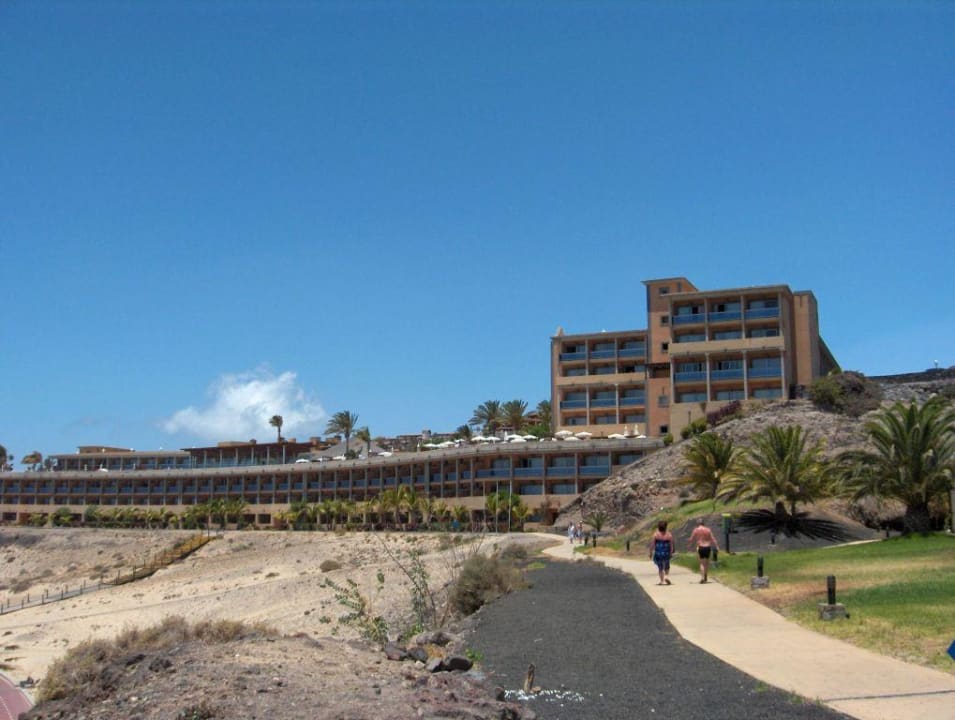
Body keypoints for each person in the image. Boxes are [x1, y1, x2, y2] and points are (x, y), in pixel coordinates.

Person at [688, 518, 719, 583]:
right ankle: (705, 576)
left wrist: (689, 545)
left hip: (700, 547)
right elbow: (713, 538)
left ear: (698, 524)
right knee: (707, 563)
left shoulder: (696, 530)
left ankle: (702, 577)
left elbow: (691, 538)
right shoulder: (708, 530)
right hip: (707, 547)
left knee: (701, 563)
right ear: (703, 523)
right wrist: (716, 546)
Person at [648, 520, 674, 585]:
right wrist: (671, 553)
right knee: (667, 566)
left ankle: (662, 581)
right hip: (666, 553)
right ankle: (666, 576)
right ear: (666, 527)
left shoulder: (656, 534)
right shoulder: (669, 535)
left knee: (660, 567)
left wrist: (650, 552)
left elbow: (652, 544)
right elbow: (671, 545)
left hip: (658, 553)